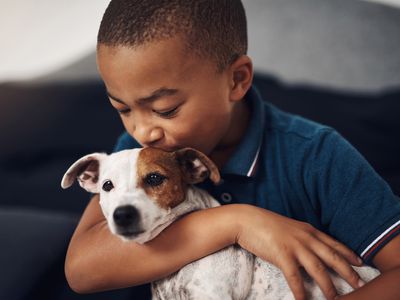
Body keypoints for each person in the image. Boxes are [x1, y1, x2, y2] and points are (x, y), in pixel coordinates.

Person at [65, 1, 400, 299]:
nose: (141, 131)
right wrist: (237, 222)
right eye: (122, 109)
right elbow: (82, 270)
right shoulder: (141, 150)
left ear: (237, 80)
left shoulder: (317, 156)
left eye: (165, 109)